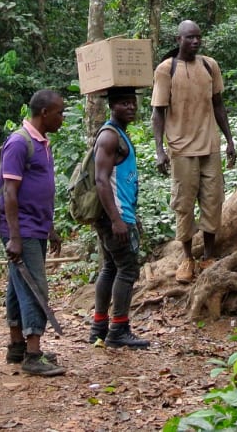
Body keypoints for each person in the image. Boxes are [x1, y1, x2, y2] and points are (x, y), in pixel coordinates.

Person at [152, 20, 236, 283]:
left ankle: (209, 256)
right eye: (189, 37)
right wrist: (159, 150)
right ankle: (187, 258)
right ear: (178, 40)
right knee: (184, 204)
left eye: (198, 37)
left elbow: (218, 104)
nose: (195, 41)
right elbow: (158, 112)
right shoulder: (166, 69)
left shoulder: (210, 65)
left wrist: (229, 140)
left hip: (209, 145)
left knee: (213, 201)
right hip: (181, 148)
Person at [0, 89, 66, 377]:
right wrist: (15, 237)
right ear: (44, 113)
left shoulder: (42, 143)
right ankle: (33, 354)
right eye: (60, 112)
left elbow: (39, 191)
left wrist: (50, 228)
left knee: (18, 286)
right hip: (22, 230)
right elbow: (9, 192)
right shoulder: (19, 143)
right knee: (35, 286)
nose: (62, 118)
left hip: (36, 227)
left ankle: (17, 347)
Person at [88, 86, 150, 349]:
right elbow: (101, 180)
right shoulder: (109, 137)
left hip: (119, 214)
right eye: (124, 103)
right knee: (127, 269)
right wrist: (117, 220)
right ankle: (118, 330)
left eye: (133, 102)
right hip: (115, 215)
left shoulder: (119, 134)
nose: (131, 107)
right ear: (112, 106)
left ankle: (99, 328)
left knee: (111, 268)